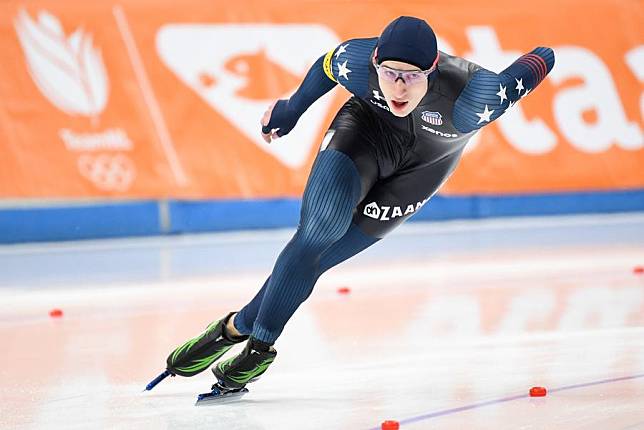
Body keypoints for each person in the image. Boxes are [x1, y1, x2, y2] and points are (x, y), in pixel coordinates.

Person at [165, 16, 555, 391]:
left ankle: (235, 327)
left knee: (318, 259)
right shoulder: (357, 61)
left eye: (413, 77)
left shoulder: (474, 98)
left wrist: (545, 50)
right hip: (364, 134)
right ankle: (259, 349)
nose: (399, 88)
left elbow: (535, 65)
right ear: (375, 64)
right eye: (390, 73)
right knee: (319, 231)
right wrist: (292, 109)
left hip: (420, 171)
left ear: (432, 71)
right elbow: (325, 66)